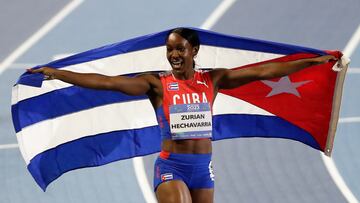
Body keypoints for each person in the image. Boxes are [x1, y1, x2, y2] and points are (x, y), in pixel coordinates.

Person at [29, 28, 336, 203]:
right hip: (170, 167)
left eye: (180, 49)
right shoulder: (156, 83)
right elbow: (108, 83)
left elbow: (264, 71)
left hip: (203, 169)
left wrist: (312, 62)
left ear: (194, 50)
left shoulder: (212, 80)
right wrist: (58, 73)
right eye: (170, 49)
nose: (174, 55)